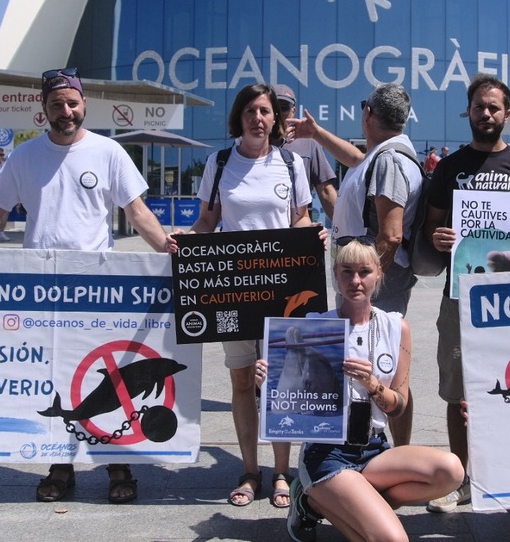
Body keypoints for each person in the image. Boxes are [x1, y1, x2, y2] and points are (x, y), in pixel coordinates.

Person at [0, 68, 173, 504]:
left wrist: (169, 246)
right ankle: (60, 467)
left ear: (84, 105)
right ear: (43, 109)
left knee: (110, 378)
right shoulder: (25, 156)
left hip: (97, 289)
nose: (65, 111)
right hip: (42, 290)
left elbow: (137, 212)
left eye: (72, 103)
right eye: (56, 105)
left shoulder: (108, 152)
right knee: (54, 379)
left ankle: (119, 465)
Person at [263, 239, 464, 542]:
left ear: (378, 275)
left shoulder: (396, 327)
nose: (356, 281)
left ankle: (317, 504)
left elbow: (398, 406)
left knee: (451, 471)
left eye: (364, 272)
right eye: (347, 272)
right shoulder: (313, 326)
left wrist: (372, 385)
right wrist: (265, 382)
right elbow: (286, 403)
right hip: (326, 452)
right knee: (391, 539)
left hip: (373, 447)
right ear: (335, 274)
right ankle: (321, 497)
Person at [187, 83, 324, 509]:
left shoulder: (291, 163)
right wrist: (183, 243)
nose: (258, 118)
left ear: (275, 119)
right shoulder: (220, 162)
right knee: (242, 381)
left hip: (282, 291)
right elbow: (207, 222)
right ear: (239, 117)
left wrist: (314, 234)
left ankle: (281, 472)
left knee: (281, 382)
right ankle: (250, 470)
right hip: (233, 291)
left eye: (265, 111)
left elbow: (299, 219)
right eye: (250, 111)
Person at [422, 74, 510, 512]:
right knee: (458, 393)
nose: (487, 114)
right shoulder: (449, 167)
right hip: (459, 295)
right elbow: (431, 226)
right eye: (480, 107)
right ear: (470, 111)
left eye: (494, 107)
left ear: (507, 114)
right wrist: (439, 238)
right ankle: (462, 480)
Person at [288, 83, 424, 446]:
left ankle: (398, 453)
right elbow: (356, 159)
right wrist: (316, 134)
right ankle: (360, 442)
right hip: (370, 282)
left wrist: (363, 285)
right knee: (368, 369)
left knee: (391, 374)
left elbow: (391, 236)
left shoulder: (390, 162)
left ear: (367, 114)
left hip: (379, 286)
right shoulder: (383, 155)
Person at [273, 85, 338, 222]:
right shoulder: (252, 144)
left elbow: (325, 191)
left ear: (293, 111)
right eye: (273, 107)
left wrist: (345, 230)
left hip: (297, 228)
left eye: (284, 107)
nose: (278, 113)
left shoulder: (308, 143)